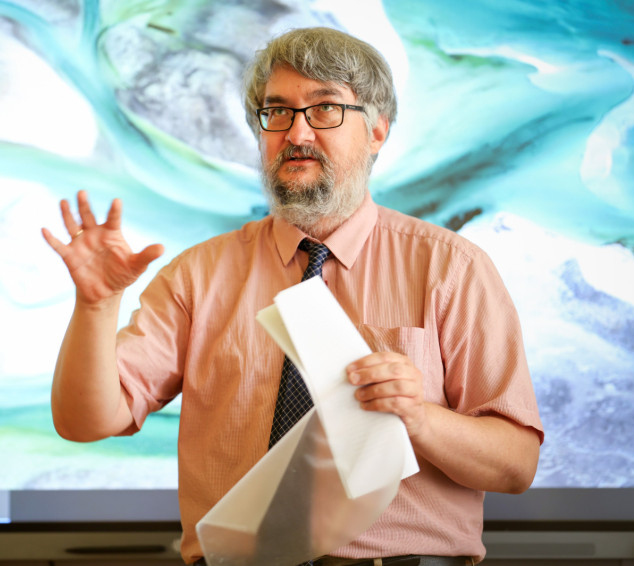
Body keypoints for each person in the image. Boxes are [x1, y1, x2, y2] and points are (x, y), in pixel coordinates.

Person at [42, 27, 544, 566]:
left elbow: (515, 466)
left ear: (377, 131)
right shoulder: (197, 276)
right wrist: (96, 306)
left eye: (325, 108)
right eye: (277, 111)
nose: (296, 132)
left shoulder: (451, 267)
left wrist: (418, 418)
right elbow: (87, 421)